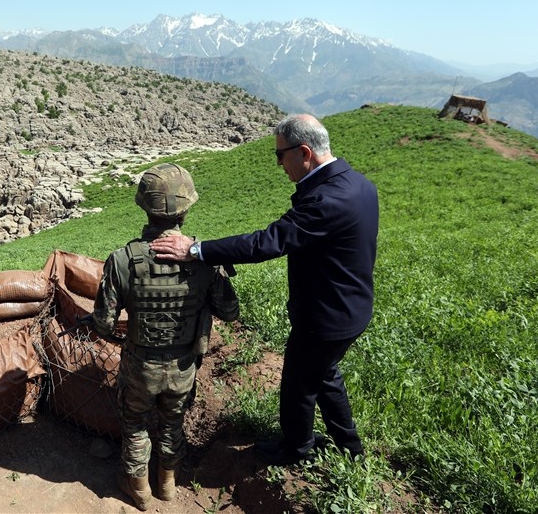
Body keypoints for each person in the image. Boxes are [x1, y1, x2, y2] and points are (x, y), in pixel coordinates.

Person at [150, 114, 378, 467]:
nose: (277, 164)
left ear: (304, 153)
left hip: (325, 317)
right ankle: (351, 448)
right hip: (352, 306)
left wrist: (196, 250)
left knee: (299, 387)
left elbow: (267, 243)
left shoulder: (325, 202)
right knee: (325, 373)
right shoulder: (359, 184)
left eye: (280, 155)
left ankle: (296, 449)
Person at [92, 163, 240, 511]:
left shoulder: (123, 260)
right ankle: (168, 485)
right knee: (173, 422)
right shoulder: (205, 260)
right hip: (183, 366)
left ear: (144, 206)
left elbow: (103, 323)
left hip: (140, 366)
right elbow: (230, 311)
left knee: (135, 425)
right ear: (186, 210)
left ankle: (139, 490)